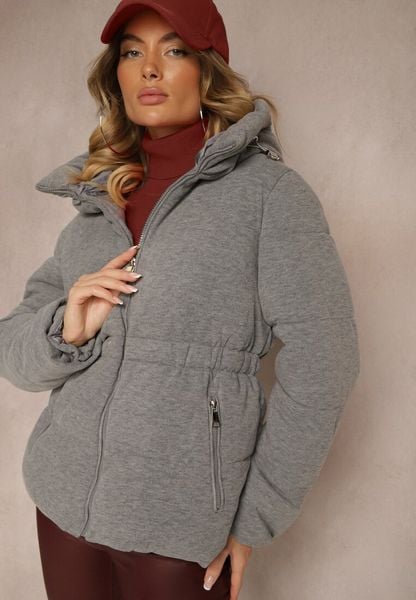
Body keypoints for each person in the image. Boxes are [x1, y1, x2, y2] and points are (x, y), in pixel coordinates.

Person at [0, 0, 361, 599]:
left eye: (173, 50)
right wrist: (67, 329)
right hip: (61, 503)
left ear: (206, 69)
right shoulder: (98, 200)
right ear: (116, 75)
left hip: (179, 527)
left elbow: (327, 363)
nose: (149, 68)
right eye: (131, 52)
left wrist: (254, 518)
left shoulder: (269, 197)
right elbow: (12, 349)